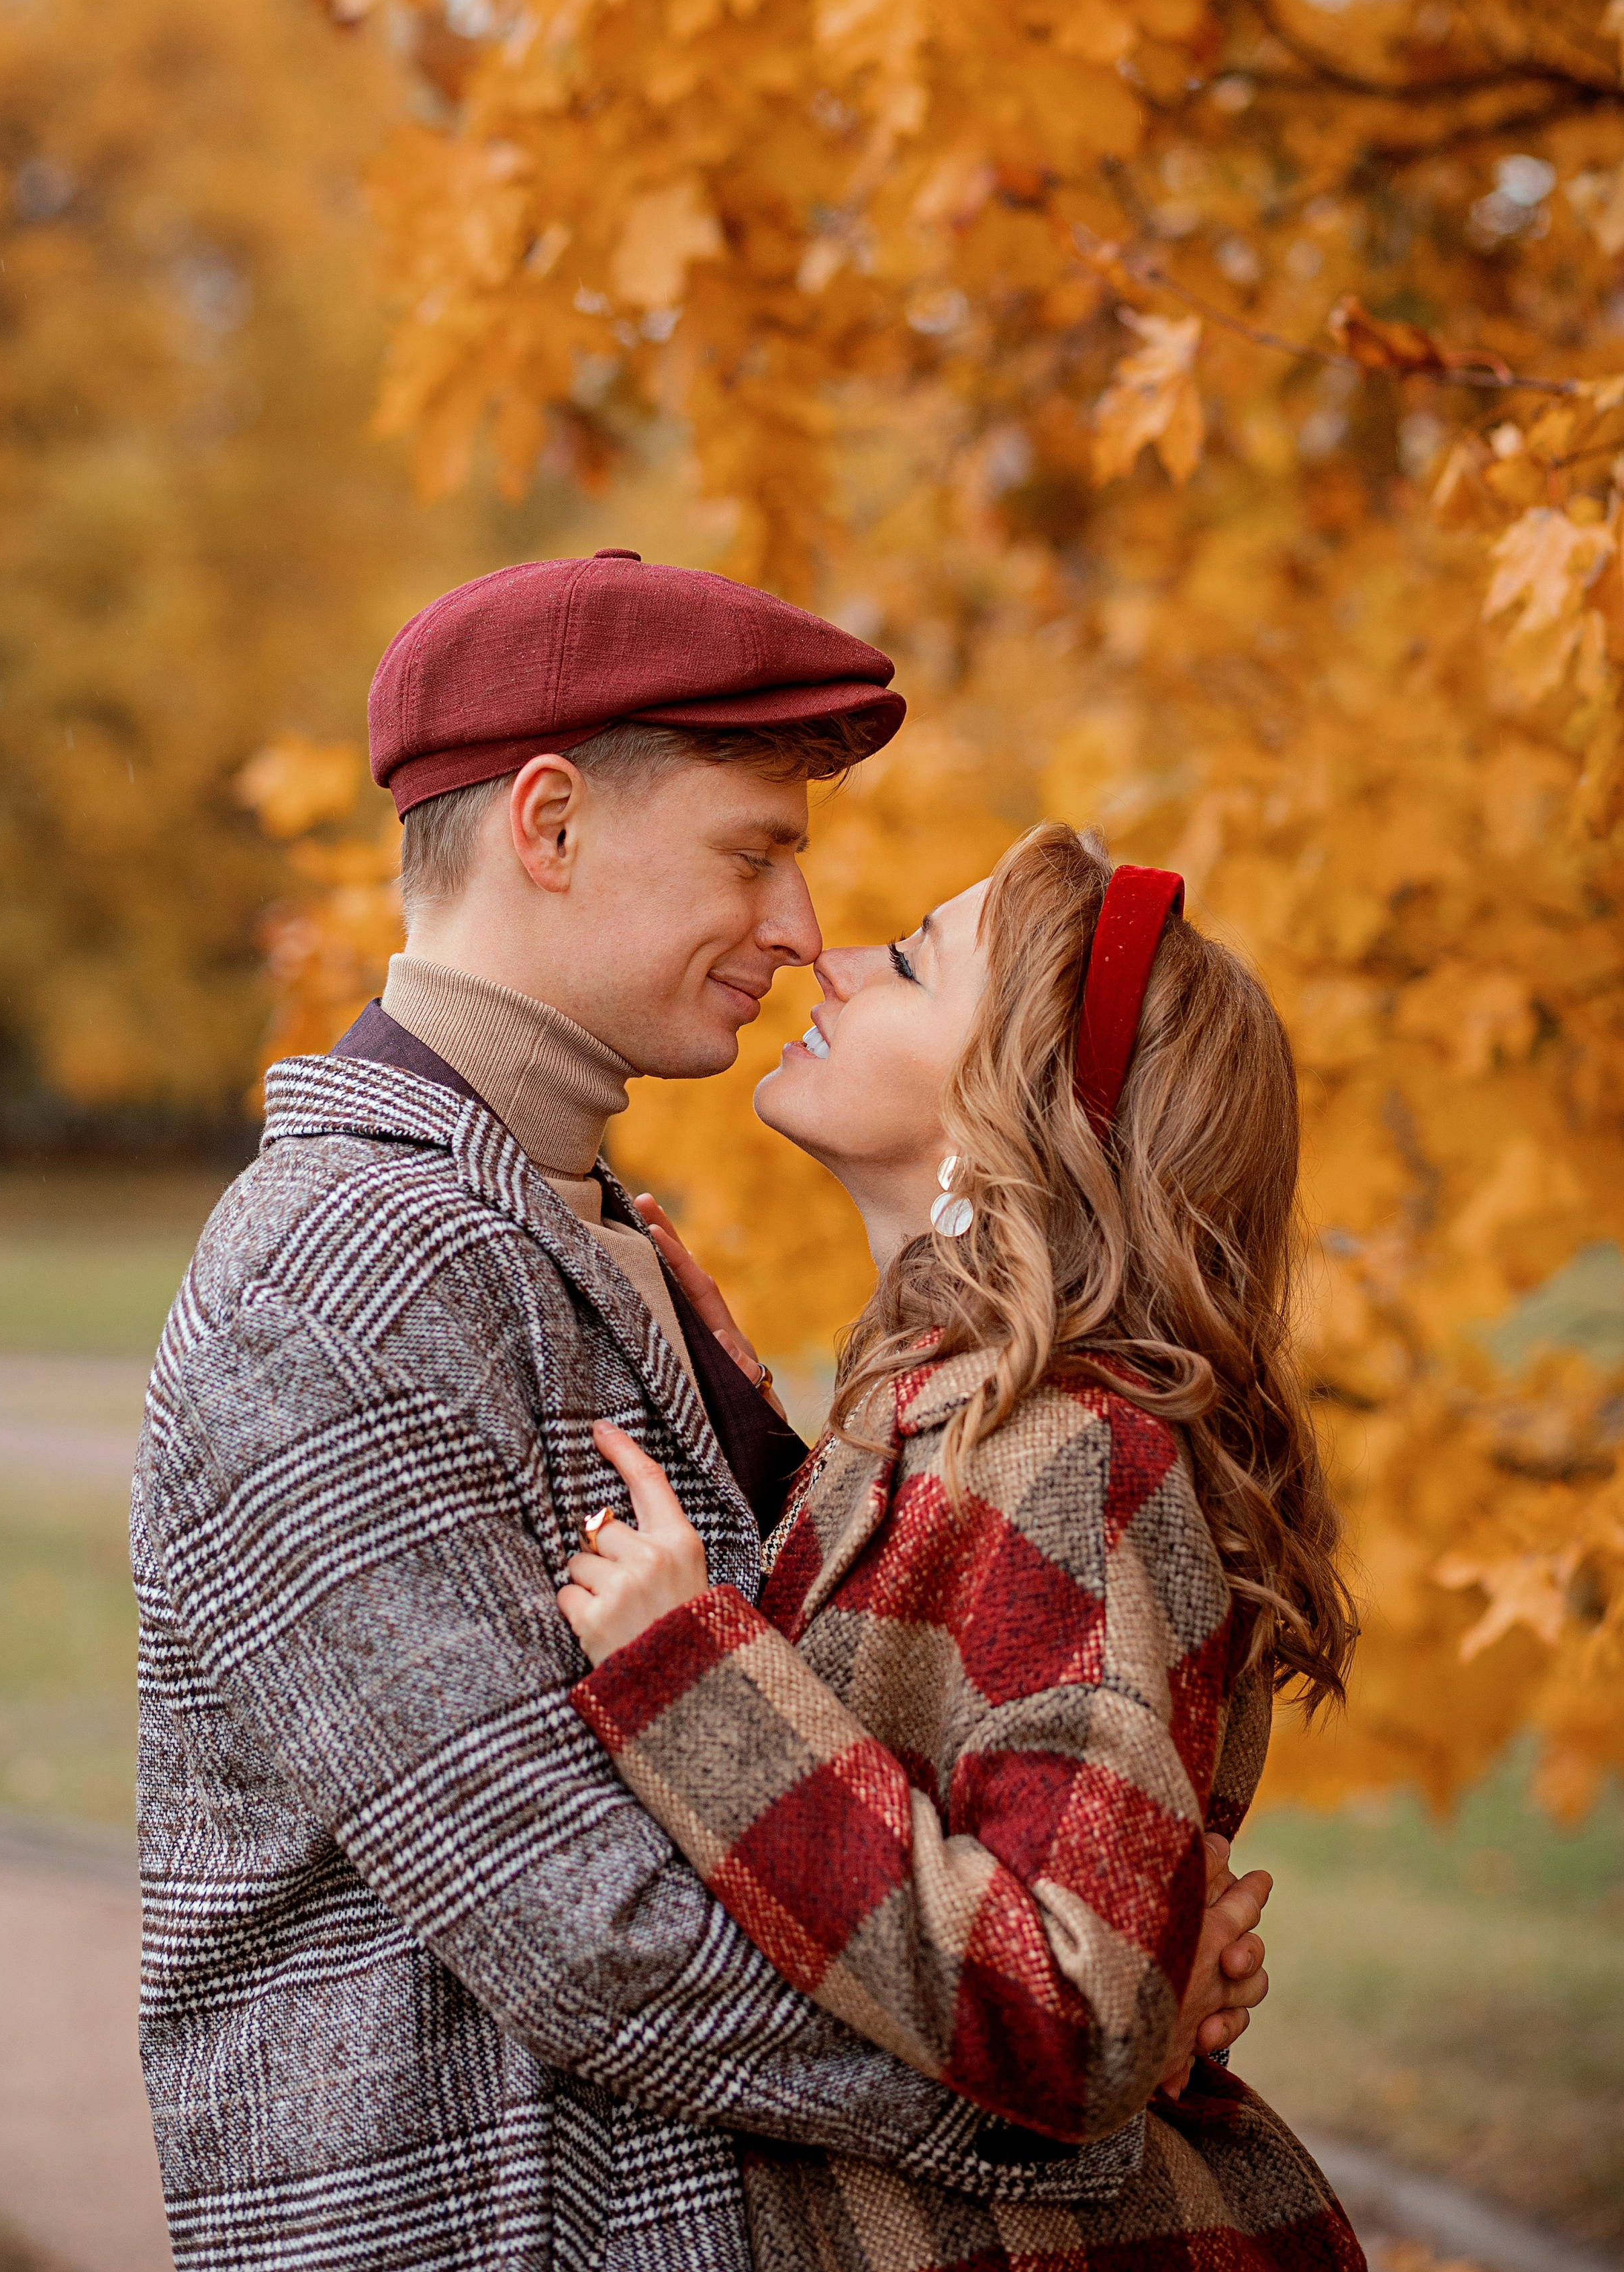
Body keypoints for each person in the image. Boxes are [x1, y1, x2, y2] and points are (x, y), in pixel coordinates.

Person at [133, 554, 1273, 2272]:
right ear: (550, 825)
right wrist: (1082, 2076)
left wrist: (1104, 1948)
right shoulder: (335, 1278)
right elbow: (582, 1920)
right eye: (755, 852)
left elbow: (894, 1739)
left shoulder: (597, 1234)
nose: (803, 931)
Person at [559, 822, 1364, 2272]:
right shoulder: (951, 1422)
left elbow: (1074, 2008)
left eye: (914, 961)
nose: (831, 955)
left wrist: (694, 1677)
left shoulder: (1080, 1454)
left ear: (1014, 1115)